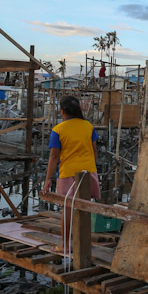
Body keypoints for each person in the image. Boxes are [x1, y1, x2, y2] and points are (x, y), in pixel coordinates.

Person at [41, 95, 100, 253]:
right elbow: (94, 151)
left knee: (67, 209)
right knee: (85, 207)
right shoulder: (88, 126)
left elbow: (54, 156)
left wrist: (48, 180)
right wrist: (90, 166)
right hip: (88, 172)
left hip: (68, 173)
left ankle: (65, 245)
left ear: (62, 110)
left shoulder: (58, 130)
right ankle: (84, 242)